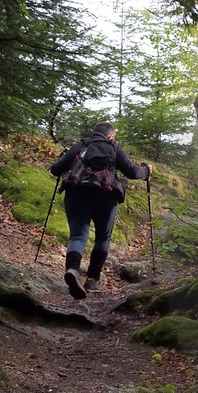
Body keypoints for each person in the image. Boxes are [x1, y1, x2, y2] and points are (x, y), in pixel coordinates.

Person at [49, 122, 149, 299]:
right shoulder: (114, 148)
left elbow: (55, 169)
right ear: (110, 136)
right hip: (105, 197)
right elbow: (133, 172)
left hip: (76, 194)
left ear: (94, 134)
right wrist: (146, 170)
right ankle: (92, 280)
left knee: (78, 236)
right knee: (103, 237)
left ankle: (72, 269)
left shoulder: (81, 145)